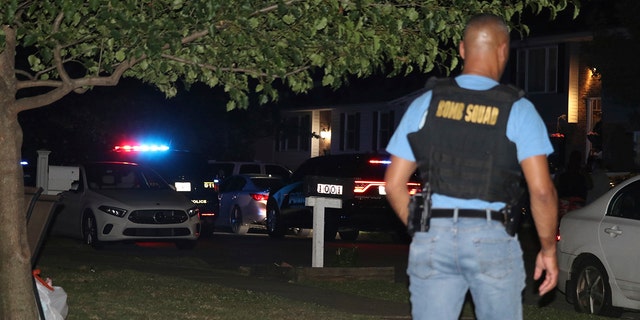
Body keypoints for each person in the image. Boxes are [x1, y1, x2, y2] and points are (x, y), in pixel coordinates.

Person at [384, 14, 558, 320]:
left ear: (463, 50)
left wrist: (421, 230)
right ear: (504, 50)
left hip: (433, 233)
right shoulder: (518, 109)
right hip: (491, 236)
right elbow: (542, 192)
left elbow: (393, 184)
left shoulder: (426, 102)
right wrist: (548, 250)